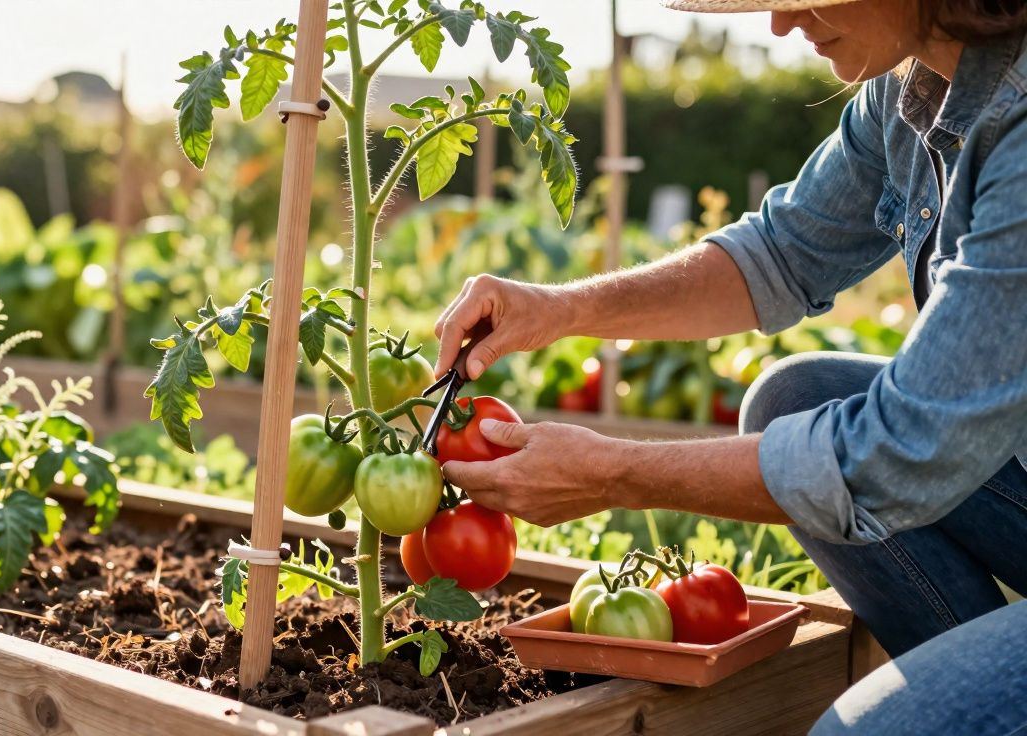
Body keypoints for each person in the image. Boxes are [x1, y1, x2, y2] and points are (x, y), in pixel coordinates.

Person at [433, 0, 1027, 732]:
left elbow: (896, 453)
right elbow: (780, 253)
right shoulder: (907, 89)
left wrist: (614, 473)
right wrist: (557, 308)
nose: (779, 22)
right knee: (793, 398)